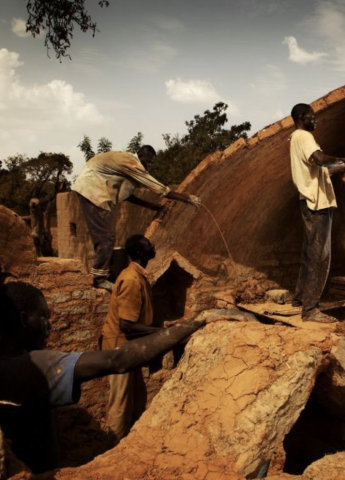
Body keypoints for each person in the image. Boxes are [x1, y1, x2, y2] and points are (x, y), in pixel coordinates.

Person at [0, 281, 206, 473]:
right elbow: (118, 359)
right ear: (24, 320)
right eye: (44, 317)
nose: (49, 326)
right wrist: (197, 322)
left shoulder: (7, 362)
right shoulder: (33, 367)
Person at [72, 145, 201, 291]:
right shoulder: (131, 162)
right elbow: (160, 189)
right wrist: (186, 198)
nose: (148, 165)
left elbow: (127, 196)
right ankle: (99, 278)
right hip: (92, 190)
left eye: (151, 163)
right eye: (147, 161)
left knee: (104, 236)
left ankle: (101, 275)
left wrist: (150, 206)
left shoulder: (126, 168)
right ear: (139, 155)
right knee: (107, 236)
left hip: (90, 188)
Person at [290, 104, 345, 323]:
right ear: (302, 117)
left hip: (310, 202)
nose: (316, 120)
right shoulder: (304, 137)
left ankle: (300, 298)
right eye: (312, 117)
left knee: (310, 252)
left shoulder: (297, 139)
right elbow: (320, 159)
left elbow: (320, 168)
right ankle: (310, 310)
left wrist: (344, 164)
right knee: (321, 256)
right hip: (317, 204)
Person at [101, 234, 164, 440]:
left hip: (129, 347)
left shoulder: (138, 275)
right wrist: (160, 333)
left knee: (135, 398)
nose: (153, 247)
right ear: (139, 252)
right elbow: (126, 324)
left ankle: (130, 442)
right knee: (120, 401)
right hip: (120, 347)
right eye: (148, 245)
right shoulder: (131, 279)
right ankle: (114, 447)